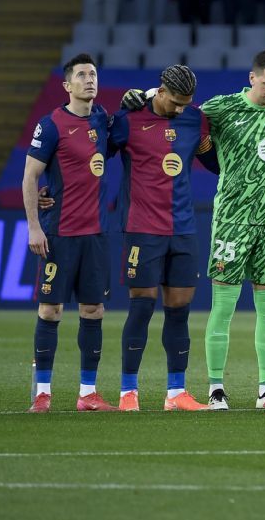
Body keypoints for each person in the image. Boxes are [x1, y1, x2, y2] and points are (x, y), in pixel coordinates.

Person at [106, 66, 219, 411]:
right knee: (141, 308)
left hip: (183, 228)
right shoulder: (129, 119)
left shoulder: (194, 120)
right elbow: (94, 152)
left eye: (188, 103)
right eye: (177, 102)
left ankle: (176, 393)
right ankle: (128, 392)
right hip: (142, 227)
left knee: (179, 311)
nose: (181, 109)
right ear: (162, 91)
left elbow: (214, 163)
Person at [198, 49, 265, 411]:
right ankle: (215, 389)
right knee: (223, 305)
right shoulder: (221, 107)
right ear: (252, 78)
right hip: (232, 219)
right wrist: (145, 97)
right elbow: (184, 121)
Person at [24, 54, 114, 413]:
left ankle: (87, 394)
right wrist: (33, 226)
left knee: (93, 310)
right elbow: (30, 177)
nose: (89, 79)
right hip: (59, 234)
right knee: (50, 310)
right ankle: (42, 393)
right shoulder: (51, 125)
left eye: (93, 74)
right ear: (67, 85)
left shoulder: (103, 121)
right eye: (81, 75)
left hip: (95, 235)